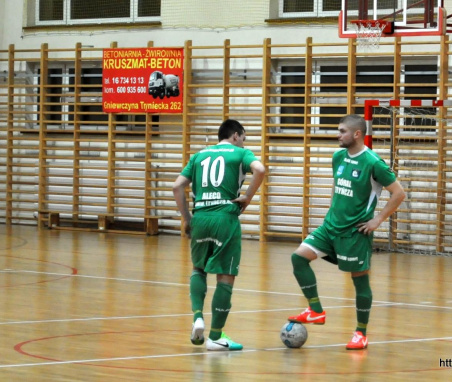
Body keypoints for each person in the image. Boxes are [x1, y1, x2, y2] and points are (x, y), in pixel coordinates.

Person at [287, 114, 406, 350]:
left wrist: (377, 220)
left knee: (360, 281)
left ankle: (361, 333)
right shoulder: (338, 156)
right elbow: (336, 184)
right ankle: (315, 310)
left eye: (342, 131)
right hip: (330, 227)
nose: (338, 135)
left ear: (357, 134)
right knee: (298, 258)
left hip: (355, 232)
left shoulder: (373, 163)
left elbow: (399, 193)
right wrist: (332, 208)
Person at [173, 119, 265, 351]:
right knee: (225, 276)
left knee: (198, 269)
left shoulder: (199, 156)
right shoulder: (239, 153)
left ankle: (197, 317)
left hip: (201, 217)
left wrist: (187, 218)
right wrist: (248, 197)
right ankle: (215, 337)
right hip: (225, 217)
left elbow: (177, 186)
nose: (243, 143)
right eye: (243, 138)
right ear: (235, 135)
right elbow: (261, 170)